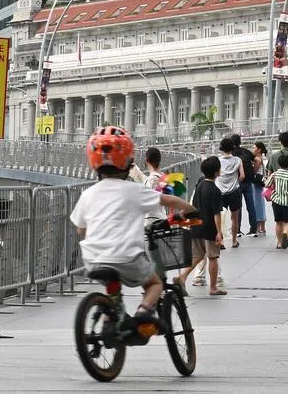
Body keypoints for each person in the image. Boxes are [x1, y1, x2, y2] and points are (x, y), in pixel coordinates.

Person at [71, 126, 196, 327]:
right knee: (155, 284)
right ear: (129, 162)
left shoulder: (87, 195)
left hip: (93, 259)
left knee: (114, 294)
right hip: (126, 258)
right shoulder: (134, 190)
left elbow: (81, 230)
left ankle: (111, 320)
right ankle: (142, 315)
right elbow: (169, 200)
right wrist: (191, 210)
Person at [174, 155, 226, 295]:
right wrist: (219, 232)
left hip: (197, 225)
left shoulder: (200, 185)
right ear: (216, 171)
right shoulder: (215, 190)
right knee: (213, 257)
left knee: (198, 255)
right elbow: (216, 214)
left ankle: (182, 276)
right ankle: (213, 288)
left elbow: (193, 206)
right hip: (210, 229)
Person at [264, 153, 288, 249]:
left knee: (278, 222)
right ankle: (285, 233)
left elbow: (267, 184)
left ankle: (279, 243)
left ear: (279, 163)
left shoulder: (274, 174)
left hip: (276, 201)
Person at [215, 136, 245, 247]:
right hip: (234, 191)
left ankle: (221, 241)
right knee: (234, 217)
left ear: (221, 148)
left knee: (219, 217)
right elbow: (242, 176)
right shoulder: (238, 160)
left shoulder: (218, 161)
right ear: (232, 148)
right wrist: (235, 182)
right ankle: (234, 241)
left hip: (220, 192)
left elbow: (215, 174)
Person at [230, 133, 260, 236]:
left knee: (238, 207)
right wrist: (254, 171)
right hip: (248, 181)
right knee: (251, 205)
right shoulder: (246, 151)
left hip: (237, 182)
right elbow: (258, 160)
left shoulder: (232, 153)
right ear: (240, 142)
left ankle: (237, 230)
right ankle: (253, 229)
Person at [250, 142, 268, 238]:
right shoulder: (261, 158)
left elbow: (254, 171)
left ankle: (258, 227)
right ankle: (262, 227)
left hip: (256, 183)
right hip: (259, 183)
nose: (252, 149)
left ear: (259, 149)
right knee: (260, 204)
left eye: (254, 148)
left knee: (257, 204)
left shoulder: (258, 159)